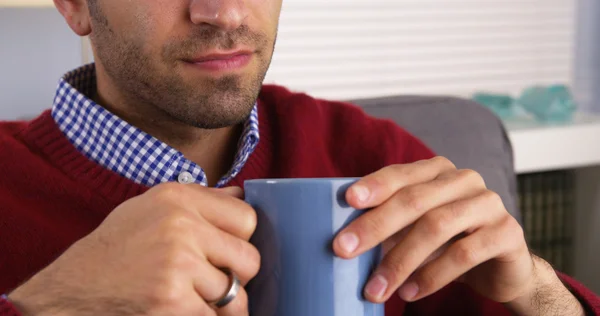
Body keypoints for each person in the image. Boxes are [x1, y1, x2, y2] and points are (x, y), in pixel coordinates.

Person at [0, 0, 598, 315]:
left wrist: (538, 293)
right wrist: (52, 306)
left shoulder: (376, 157)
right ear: (75, 3)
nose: (226, 12)